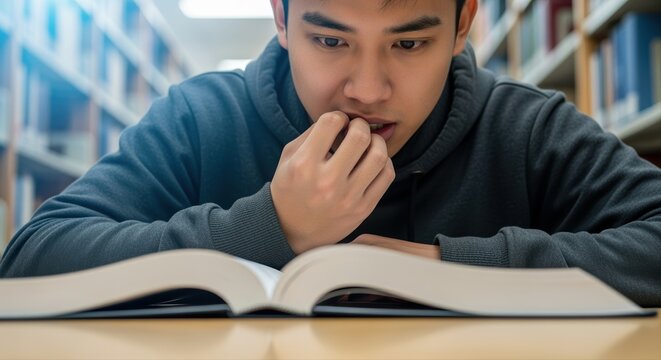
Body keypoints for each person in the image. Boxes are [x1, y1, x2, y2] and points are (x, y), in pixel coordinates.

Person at [1, 0, 660, 306]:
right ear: (282, 20)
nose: (366, 91)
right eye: (329, 40)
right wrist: (267, 227)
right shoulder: (199, 116)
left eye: (408, 45)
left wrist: (439, 265)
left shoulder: (525, 127)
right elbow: (30, 260)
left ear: (462, 26)